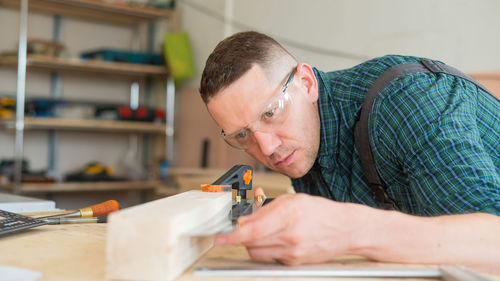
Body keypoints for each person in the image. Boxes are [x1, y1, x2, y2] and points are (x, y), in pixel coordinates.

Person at [199, 31, 500, 273]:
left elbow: (492, 245)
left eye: (270, 113)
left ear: (306, 83)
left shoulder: (408, 102)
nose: (267, 148)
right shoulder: (307, 146)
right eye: (242, 135)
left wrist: (349, 230)